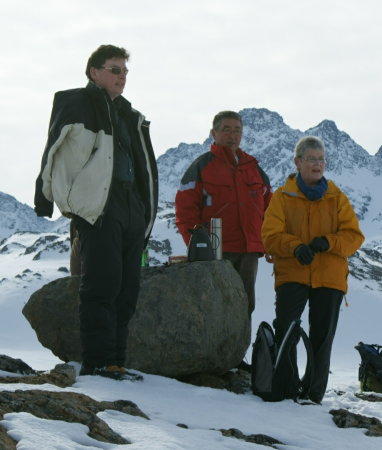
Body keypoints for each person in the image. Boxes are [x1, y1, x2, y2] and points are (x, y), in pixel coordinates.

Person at [34, 45, 159, 381]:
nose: (122, 76)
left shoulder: (130, 115)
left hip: (132, 207)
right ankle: (98, 362)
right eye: (114, 69)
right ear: (94, 72)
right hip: (98, 205)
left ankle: (117, 361)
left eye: (125, 71)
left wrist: (146, 212)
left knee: (126, 290)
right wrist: (44, 196)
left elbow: (144, 166)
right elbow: (53, 147)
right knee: (101, 286)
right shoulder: (76, 102)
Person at [261, 136, 364, 403]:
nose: (317, 165)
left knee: (322, 337)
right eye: (311, 159)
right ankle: (285, 388)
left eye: (321, 159)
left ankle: (313, 394)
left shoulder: (336, 197)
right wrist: (294, 247)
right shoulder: (282, 197)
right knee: (286, 329)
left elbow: (354, 236)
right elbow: (270, 235)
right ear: (297, 162)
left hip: (329, 277)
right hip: (292, 273)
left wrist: (329, 242)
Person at [174, 111, 273, 319]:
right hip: (216, 253)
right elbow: (185, 211)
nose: (232, 135)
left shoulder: (254, 168)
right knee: (215, 308)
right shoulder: (200, 167)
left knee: (245, 306)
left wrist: (268, 243)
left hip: (249, 252)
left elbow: (270, 210)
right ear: (214, 133)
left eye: (237, 131)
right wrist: (196, 247)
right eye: (226, 130)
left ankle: (240, 351)